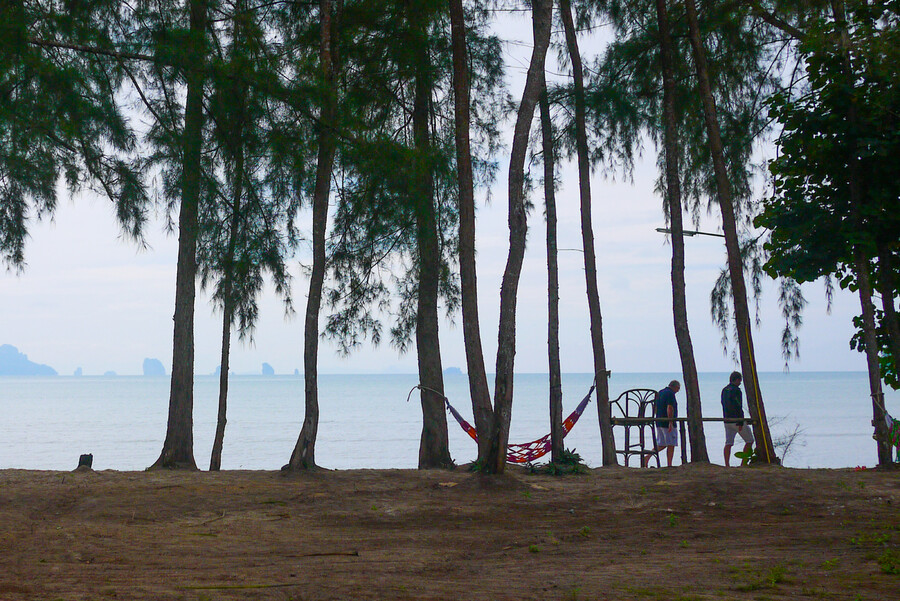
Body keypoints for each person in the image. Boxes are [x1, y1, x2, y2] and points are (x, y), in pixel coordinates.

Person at [643, 380, 680, 467]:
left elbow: (655, 407)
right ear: (675, 387)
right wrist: (670, 421)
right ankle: (669, 464)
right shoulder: (670, 394)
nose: (678, 391)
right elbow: (670, 407)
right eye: (678, 389)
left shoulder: (660, 392)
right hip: (667, 422)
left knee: (662, 444)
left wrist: (657, 417)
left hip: (659, 421)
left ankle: (647, 457)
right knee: (671, 444)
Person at [722, 371, 754, 466]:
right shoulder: (736, 390)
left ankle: (727, 464)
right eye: (740, 380)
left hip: (727, 419)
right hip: (737, 420)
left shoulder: (724, 390)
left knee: (729, 443)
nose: (740, 383)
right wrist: (741, 421)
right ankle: (743, 463)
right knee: (749, 440)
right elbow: (738, 406)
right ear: (737, 380)